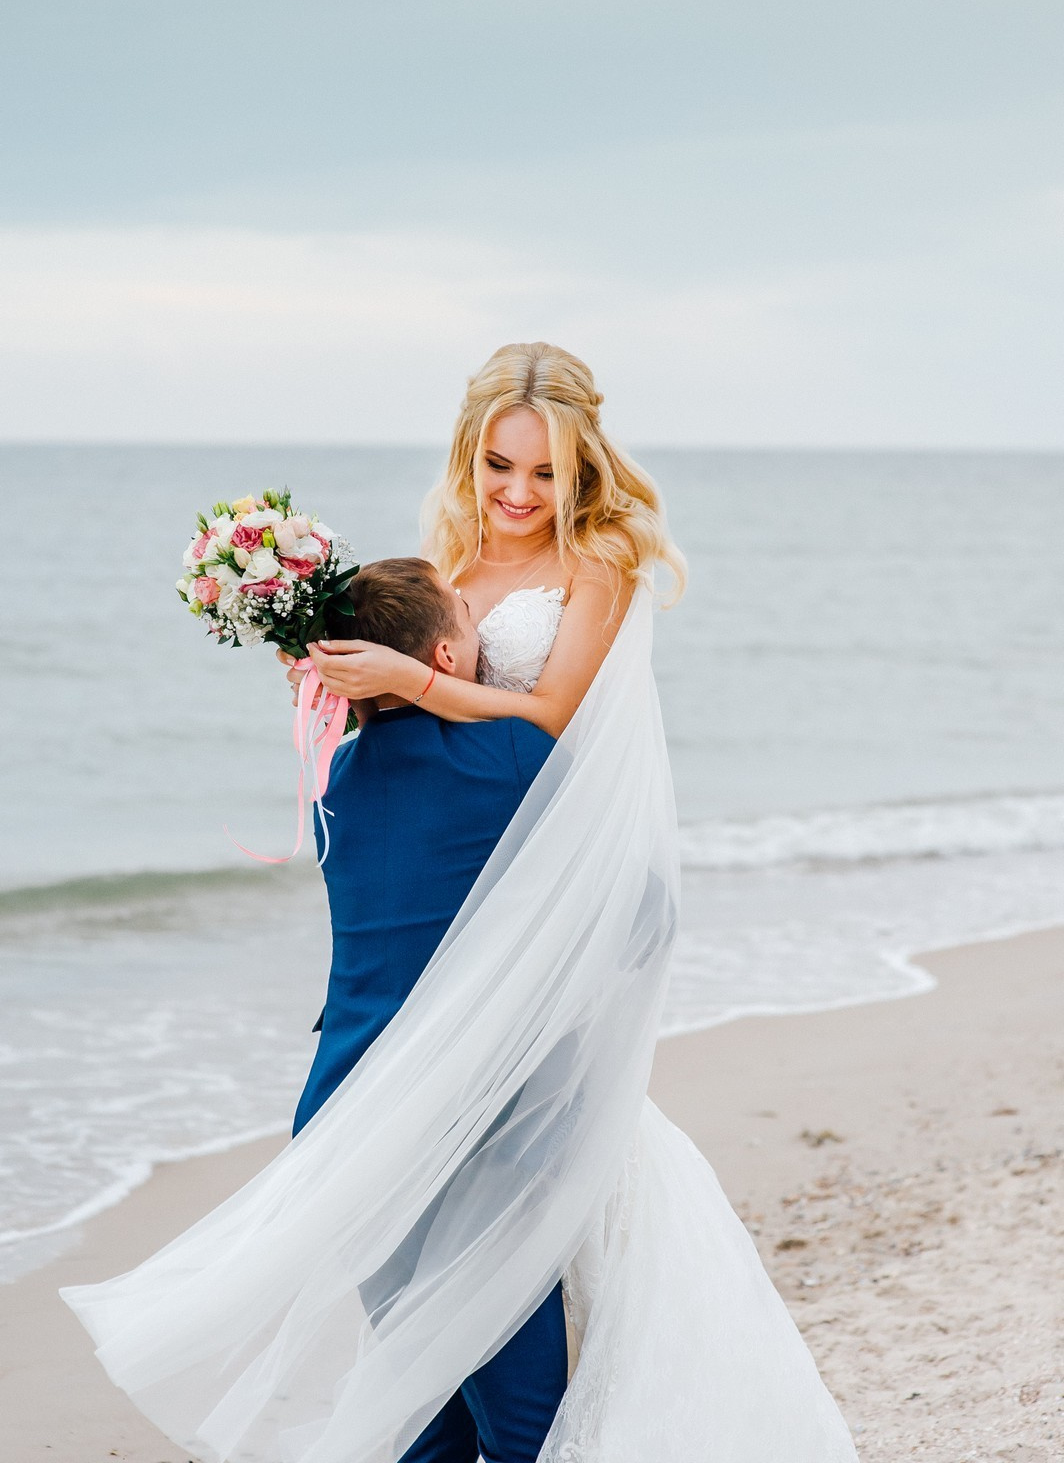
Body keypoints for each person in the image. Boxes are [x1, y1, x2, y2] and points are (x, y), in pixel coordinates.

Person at [61, 343, 860, 1462]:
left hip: (533, 916)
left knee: (505, 1248)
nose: (518, 496)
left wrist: (411, 683)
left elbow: (548, 716)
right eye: (498, 467)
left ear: (581, 471)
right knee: (436, 1289)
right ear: (467, 456)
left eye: (544, 474)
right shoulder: (446, 565)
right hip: (443, 912)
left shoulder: (597, 569)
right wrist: (338, 672)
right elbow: (403, 731)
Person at [292, 554, 568, 1463]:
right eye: (472, 623)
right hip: (469, 1120)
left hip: (343, 1118)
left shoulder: (332, 783)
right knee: (527, 1415)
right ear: (446, 658)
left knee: (421, 1399)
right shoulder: (516, 752)